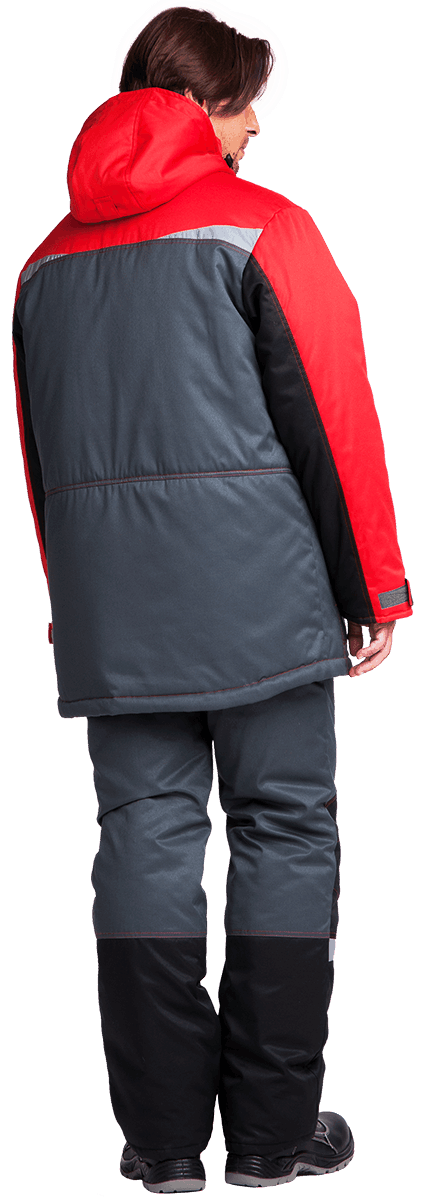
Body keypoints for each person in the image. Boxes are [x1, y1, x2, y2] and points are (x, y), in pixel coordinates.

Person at [12, 2, 413, 1191]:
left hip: (113, 617)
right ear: (200, 105)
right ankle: (275, 1140)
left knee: (141, 839)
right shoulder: (262, 226)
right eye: (243, 110)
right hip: (262, 604)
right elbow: (331, 414)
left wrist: (74, 608)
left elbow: (44, 463)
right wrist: (373, 587)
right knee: (284, 830)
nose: (251, 133)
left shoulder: (42, 263)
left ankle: (162, 1145)